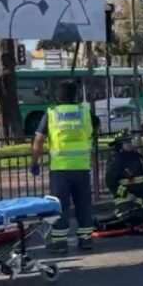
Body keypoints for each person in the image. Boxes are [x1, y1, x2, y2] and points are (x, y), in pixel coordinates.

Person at [31, 81, 100, 253]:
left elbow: (39, 140)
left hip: (60, 168)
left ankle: (60, 242)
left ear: (57, 96)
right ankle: (85, 239)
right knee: (83, 204)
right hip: (82, 167)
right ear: (76, 95)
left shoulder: (51, 114)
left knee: (60, 205)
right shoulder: (84, 113)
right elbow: (96, 129)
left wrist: (34, 161)